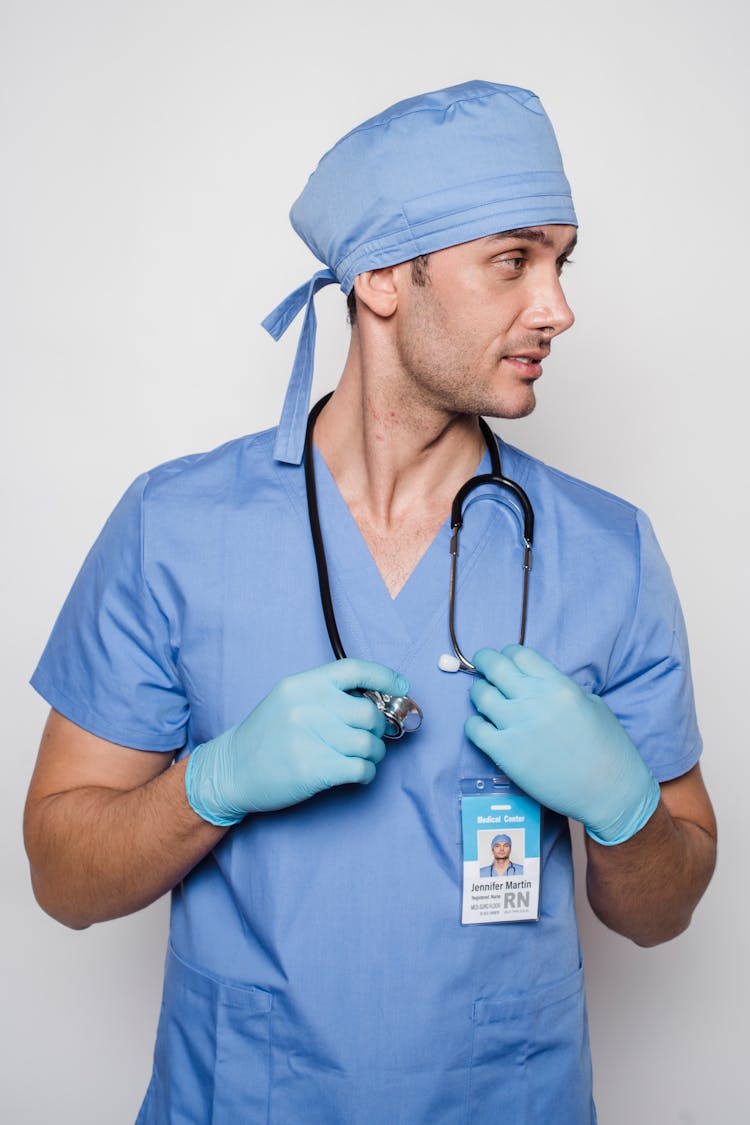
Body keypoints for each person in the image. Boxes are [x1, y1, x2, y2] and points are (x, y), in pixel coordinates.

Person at [24, 81, 716, 1124]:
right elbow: (63, 880)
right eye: (515, 261)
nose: (558, 308)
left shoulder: (606, 551)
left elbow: (665, 912)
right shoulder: (176, 528)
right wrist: (211, 784)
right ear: (386, 278)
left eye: (562, 264)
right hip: (246, 1100)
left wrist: (623, 813)